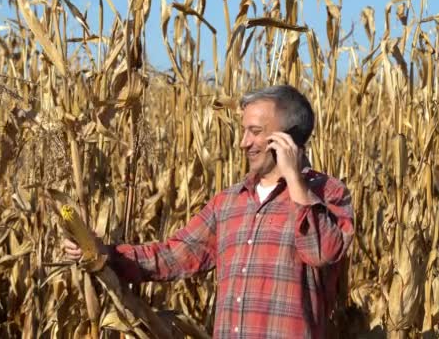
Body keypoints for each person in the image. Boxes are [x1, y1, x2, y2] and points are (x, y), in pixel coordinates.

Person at [64, 85, 354, 338]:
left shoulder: (328, 193)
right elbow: (172, 256)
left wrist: (295, 180)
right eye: (244, 131)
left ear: (288, 139)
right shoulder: (230, 202)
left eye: (255, 132)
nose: (243, 143)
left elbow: (323, 253)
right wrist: (103, 253)